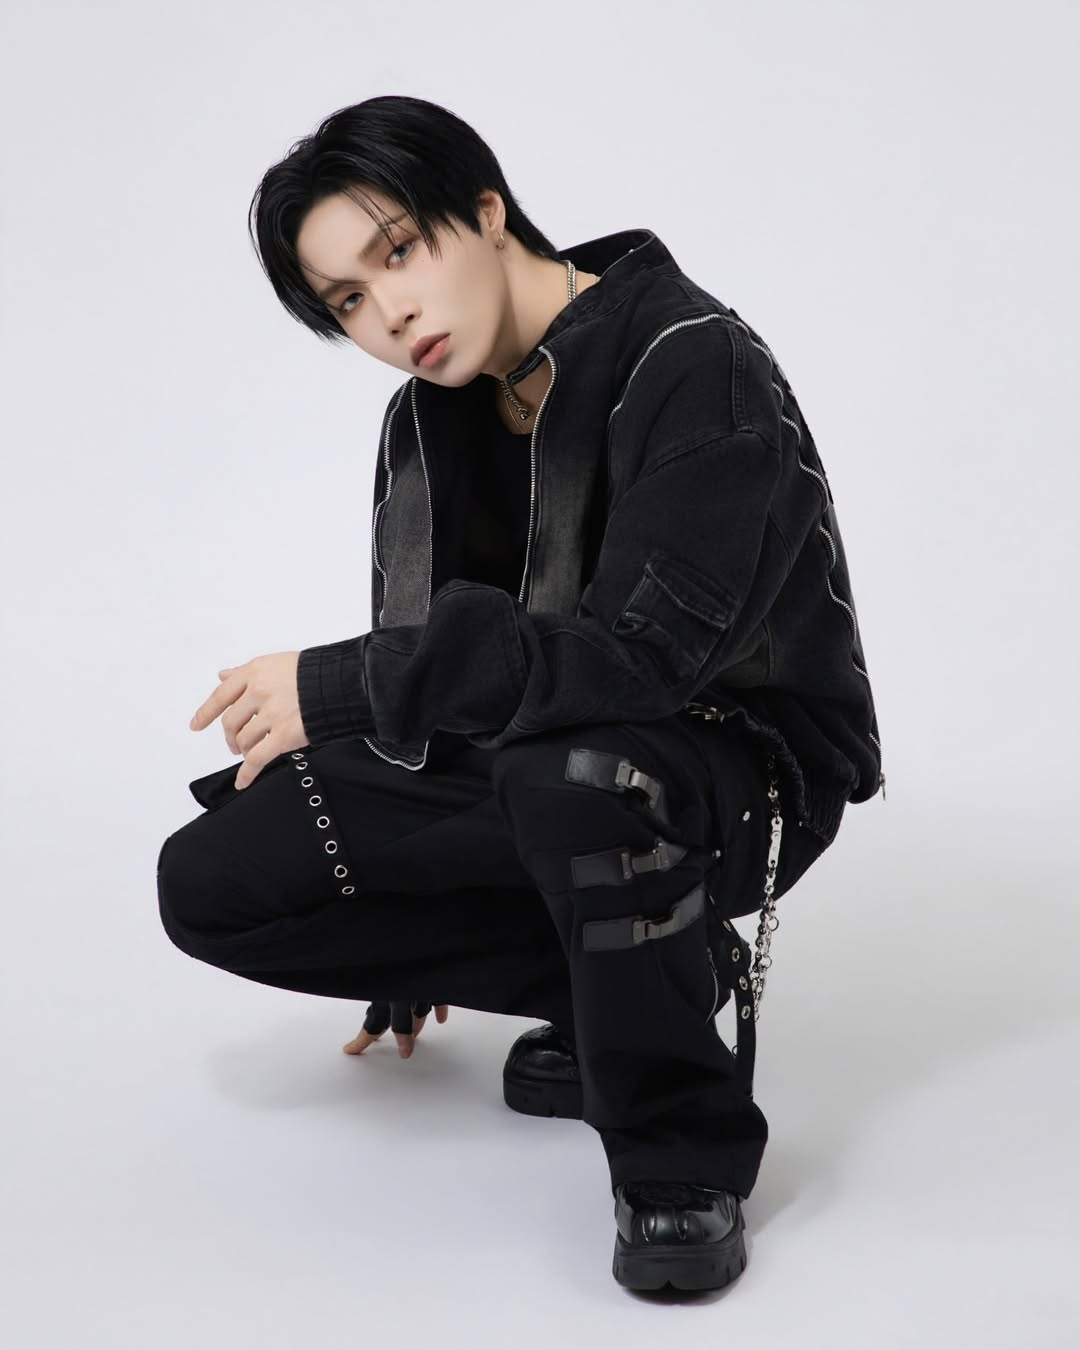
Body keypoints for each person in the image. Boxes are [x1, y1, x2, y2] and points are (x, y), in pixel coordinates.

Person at [157, 93, 886, 1294]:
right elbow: (433, 675)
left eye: (398, 251)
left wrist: (339, 686)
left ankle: (677, 1155)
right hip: (538, 760)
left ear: (486, 210)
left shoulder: (692, 362)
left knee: (578, 767)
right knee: (214, 876)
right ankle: (646, 976)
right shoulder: (423, 418)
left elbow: (637, 662)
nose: (388, 313)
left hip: (734, 764)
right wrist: (401, 921)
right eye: (346, 300)